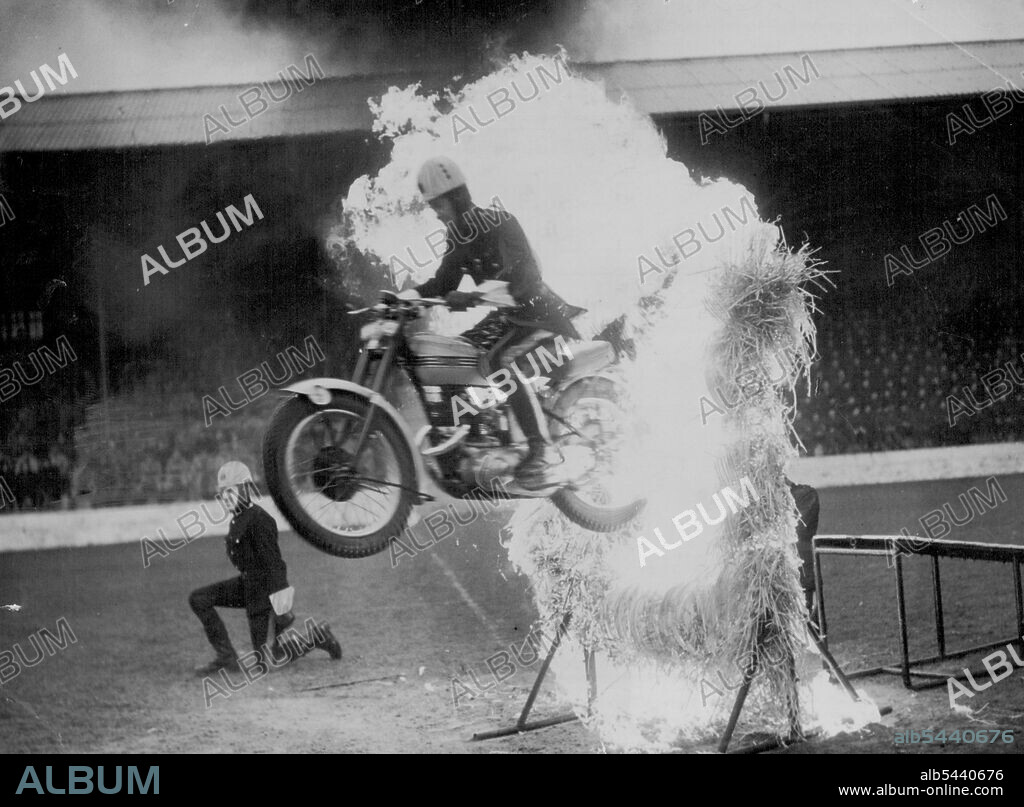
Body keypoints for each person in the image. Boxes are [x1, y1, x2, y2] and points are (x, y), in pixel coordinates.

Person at [403, 156, 583, 489]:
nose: (436, 213)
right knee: (460, 352)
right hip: (509, 318)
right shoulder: (458, 235)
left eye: (438, 204)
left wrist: (475, 297)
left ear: (456, 196)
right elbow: (443, 284)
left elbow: (526, 279)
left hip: (540, 312)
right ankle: (476, 433)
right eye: (432, 207)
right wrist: (404, 299)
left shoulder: (502, 222)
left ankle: (540, 448)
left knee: (500, 361)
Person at [188, 461, 341, 675]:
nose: (227, 497)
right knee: (199, 598)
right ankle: (226, 657)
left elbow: (275, 564)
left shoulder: (260, 520)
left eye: (231, 490)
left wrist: (281, 605)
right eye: (223, 492)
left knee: (265, 664)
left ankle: (317, 637)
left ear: (246, 489)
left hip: (264, 596)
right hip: (248, 586)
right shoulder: (238, 519)